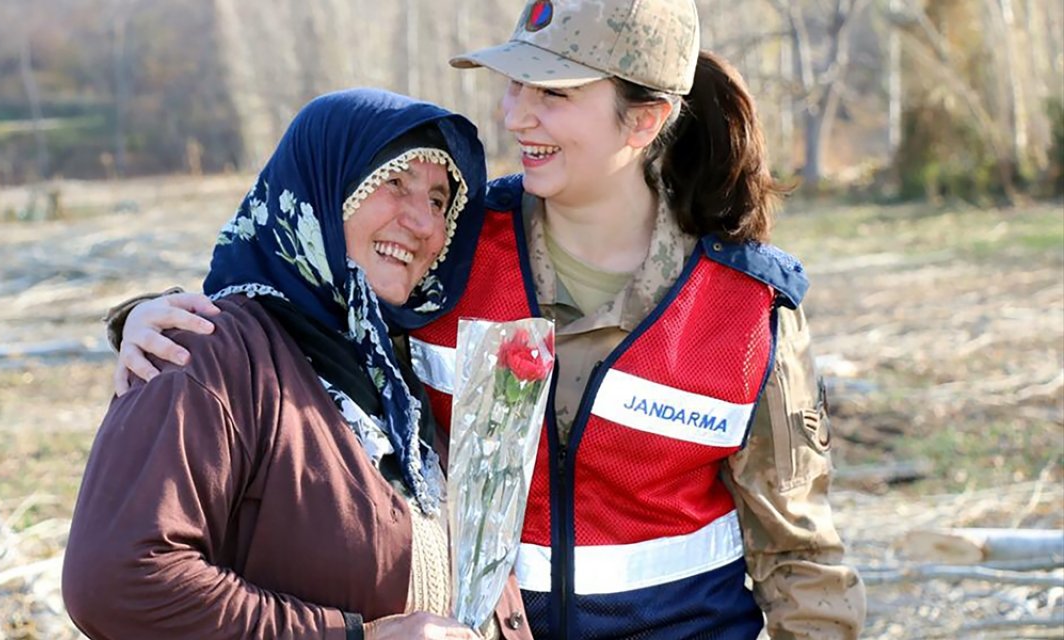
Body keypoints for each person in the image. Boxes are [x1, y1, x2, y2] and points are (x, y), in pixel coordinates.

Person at [109, 1, 869, 637]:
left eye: (553, 94)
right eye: (514, 86)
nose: (514, 116)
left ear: (645, 120)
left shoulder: (749, 309)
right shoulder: (452, 252)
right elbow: (303, 301)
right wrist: (152, 319)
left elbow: (801, 560)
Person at [62, 88, 536, 640]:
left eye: (438, 201)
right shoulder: (208, 355)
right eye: (395, 182)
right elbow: (119, 580)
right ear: (324, 187)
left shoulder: (399, 372)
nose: (425, 224)